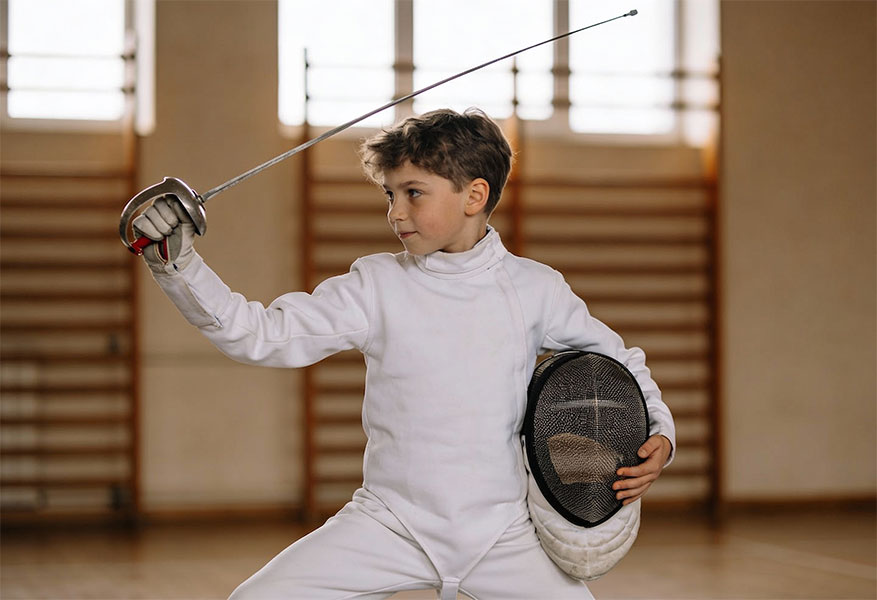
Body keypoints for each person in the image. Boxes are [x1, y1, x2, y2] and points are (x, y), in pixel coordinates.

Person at [133, 108, 675, 600]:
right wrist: (175, 260)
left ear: (474, 195)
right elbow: (259, 334)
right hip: (390, 523)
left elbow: (620, 362)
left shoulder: (535, 288)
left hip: (502, 533)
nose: (395, 212)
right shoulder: (376, 284)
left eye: (413, 192)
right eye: (389, 194)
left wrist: (660, 436)